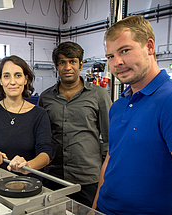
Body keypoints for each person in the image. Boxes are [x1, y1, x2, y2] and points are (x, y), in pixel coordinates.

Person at [93, 15, 172, 214]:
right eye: (110, 56)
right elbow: (110, 160)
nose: (117, 62)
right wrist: (95, 206)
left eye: (125, 50)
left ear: (149, 47)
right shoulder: (119, 105)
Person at [38, 41, 112, 207]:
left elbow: (110, 138)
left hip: (88, 177)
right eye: (62, 62)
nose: (67, 67)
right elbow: (41, 136)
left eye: (72, 61)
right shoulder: (45, 98)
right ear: (56, 66)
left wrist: (106, 175)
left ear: (81, 64)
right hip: (53, 175)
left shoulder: (98, 95)